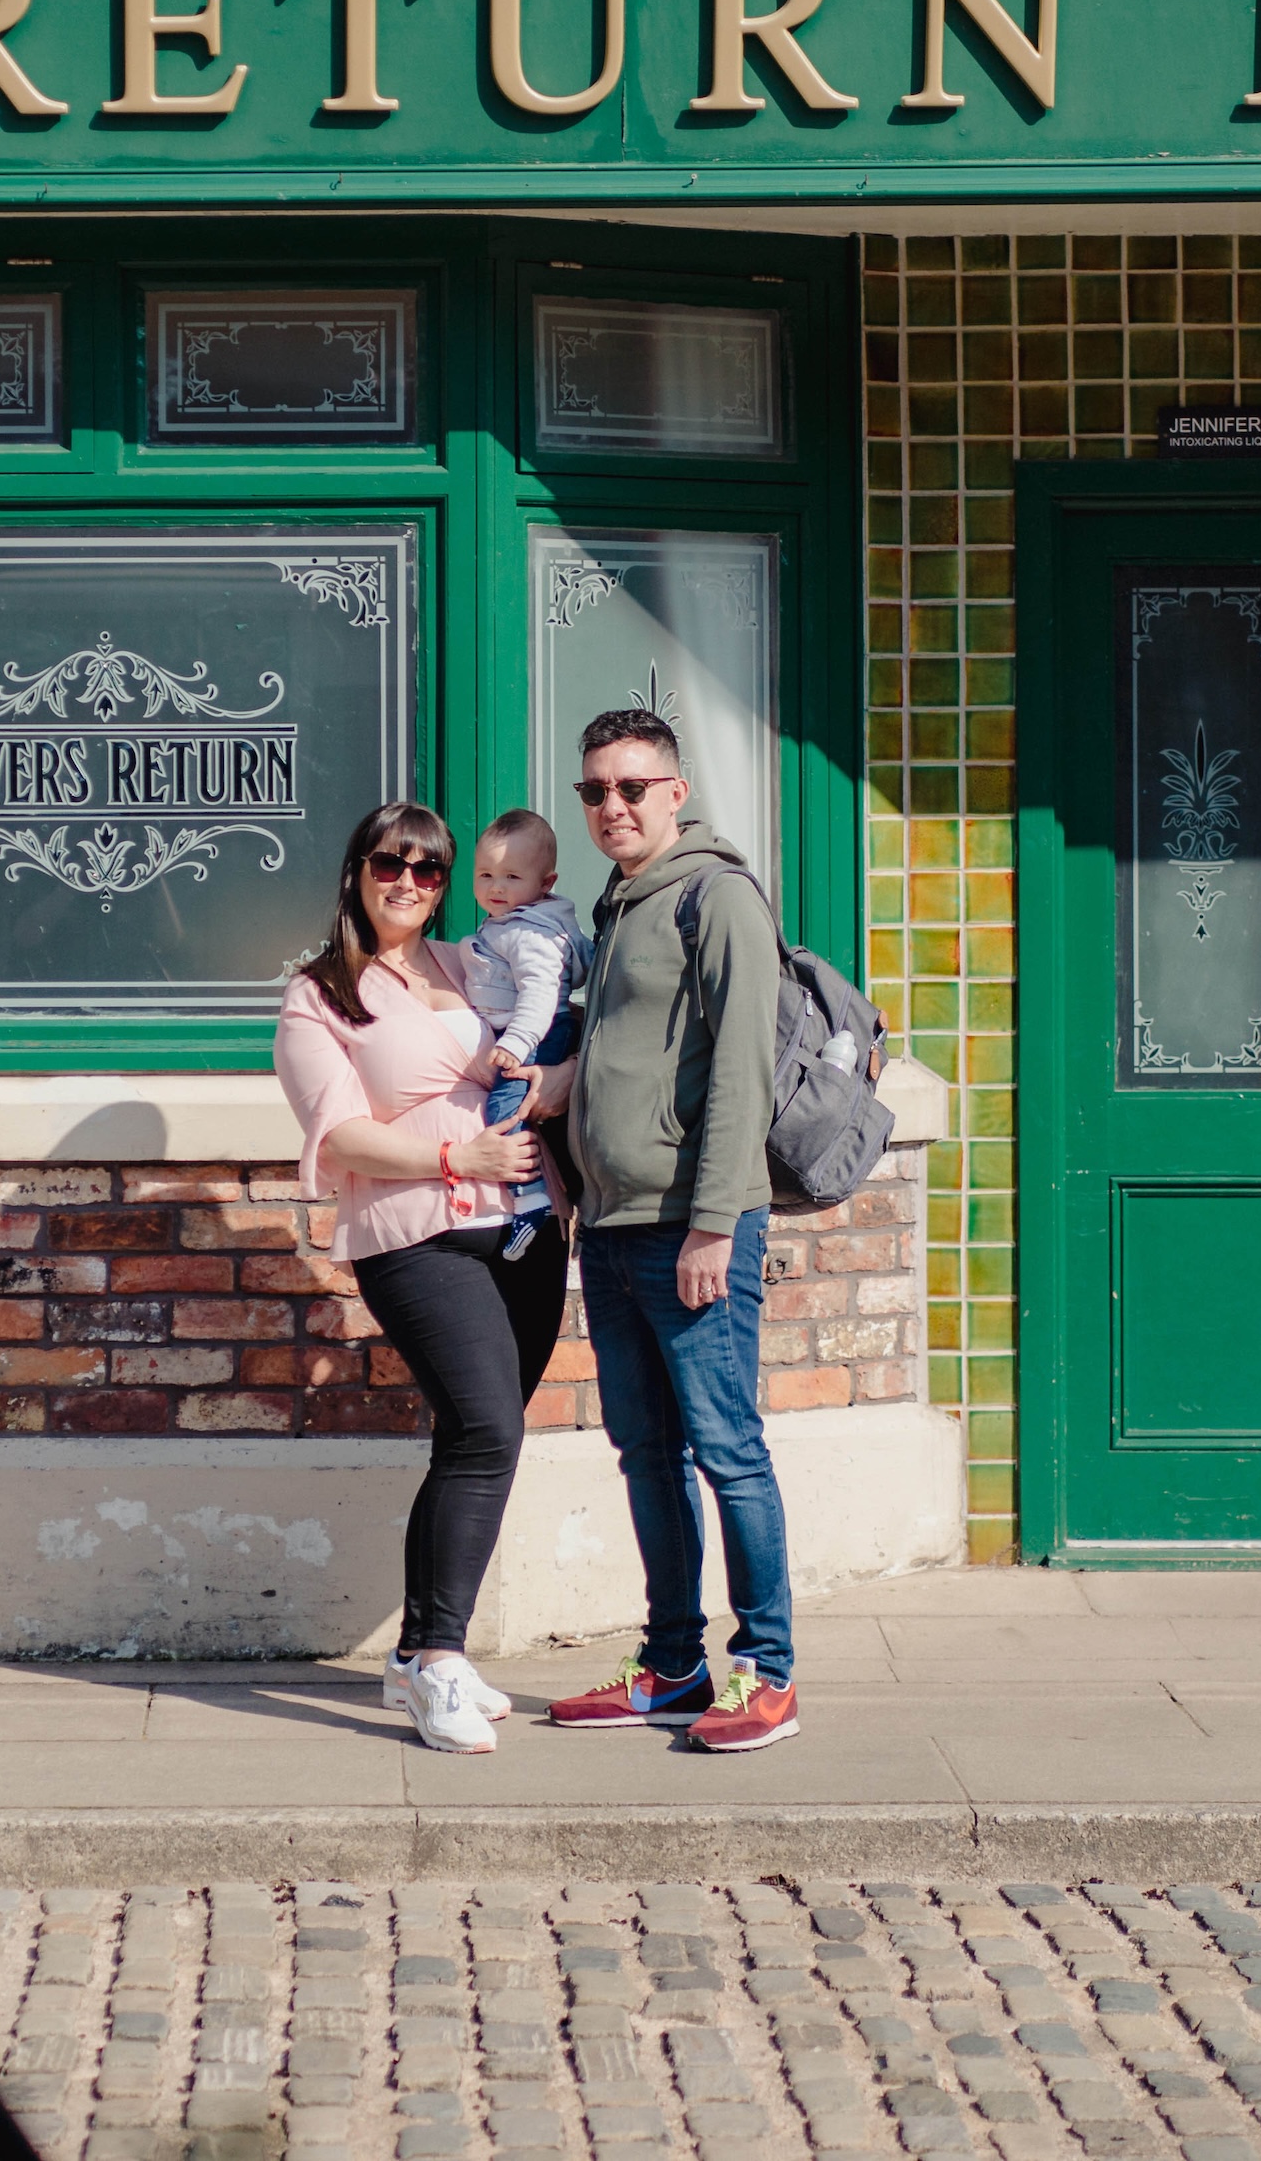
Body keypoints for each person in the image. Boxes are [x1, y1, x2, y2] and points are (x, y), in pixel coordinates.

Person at [536, 708, 802, 1754]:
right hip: (610, 1228)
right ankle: (673, 1666)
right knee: (646, 1453)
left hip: (689, 1231)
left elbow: (738, 1074)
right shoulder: (618, 904)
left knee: (727, 1451)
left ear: (676, 793)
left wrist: (711, 1229)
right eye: (594, 791)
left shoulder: (715, 896)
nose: (611, 807)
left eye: (631, 788)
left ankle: (766, 1675)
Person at [272, 802, 561, 1756]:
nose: (409, 882)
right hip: (415, 1235)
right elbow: (339, 1133)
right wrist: (454, 1162)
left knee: (474, 1440)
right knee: (488, 1426)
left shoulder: (466, 964)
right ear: (357, 870)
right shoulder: (318, 995)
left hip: (522, 1229)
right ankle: (437, 1662)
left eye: (430, 870)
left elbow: (536, 1047)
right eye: (390, 863)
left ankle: (420, 1650)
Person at [458, 807, 586, 1261]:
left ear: (545, 883)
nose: (495, 887)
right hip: (530, 1032)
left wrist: (516, 1042)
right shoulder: (513, 922)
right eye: (485, 874)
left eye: (512, 876)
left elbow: (540, 995)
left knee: (505, 1109)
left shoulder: (529, 933)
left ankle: (530, 1198)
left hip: (537, 1034)